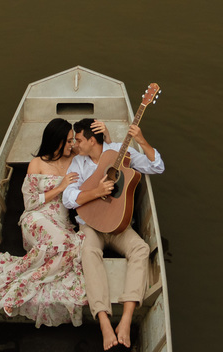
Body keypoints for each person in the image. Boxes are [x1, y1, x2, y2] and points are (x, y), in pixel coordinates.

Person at [0, 117, 102, 327]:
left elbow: (100, 152)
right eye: (69, 141)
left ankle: (27, 281)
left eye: (73, 140)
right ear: (57, 142)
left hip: (61, 222)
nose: (73, 144)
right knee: (61, 242)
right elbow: (29, 202)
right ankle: (22, 281)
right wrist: (60, 187)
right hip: (36, 217)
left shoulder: (75, 158)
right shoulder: (37, 163)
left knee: (73, 245)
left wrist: (105, 134)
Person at [63, 118, 165, 350]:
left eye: (78, 140)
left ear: (92, 140)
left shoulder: (120, 151)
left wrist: (141, 140)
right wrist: (96, 191)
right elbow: (68, 198)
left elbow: (157, 167)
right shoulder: (77, 162)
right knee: (88, 252)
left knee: (141, 249)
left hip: (118, 224)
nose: (75, 145)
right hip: (90, 224)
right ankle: (104, 321)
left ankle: (126, 318)